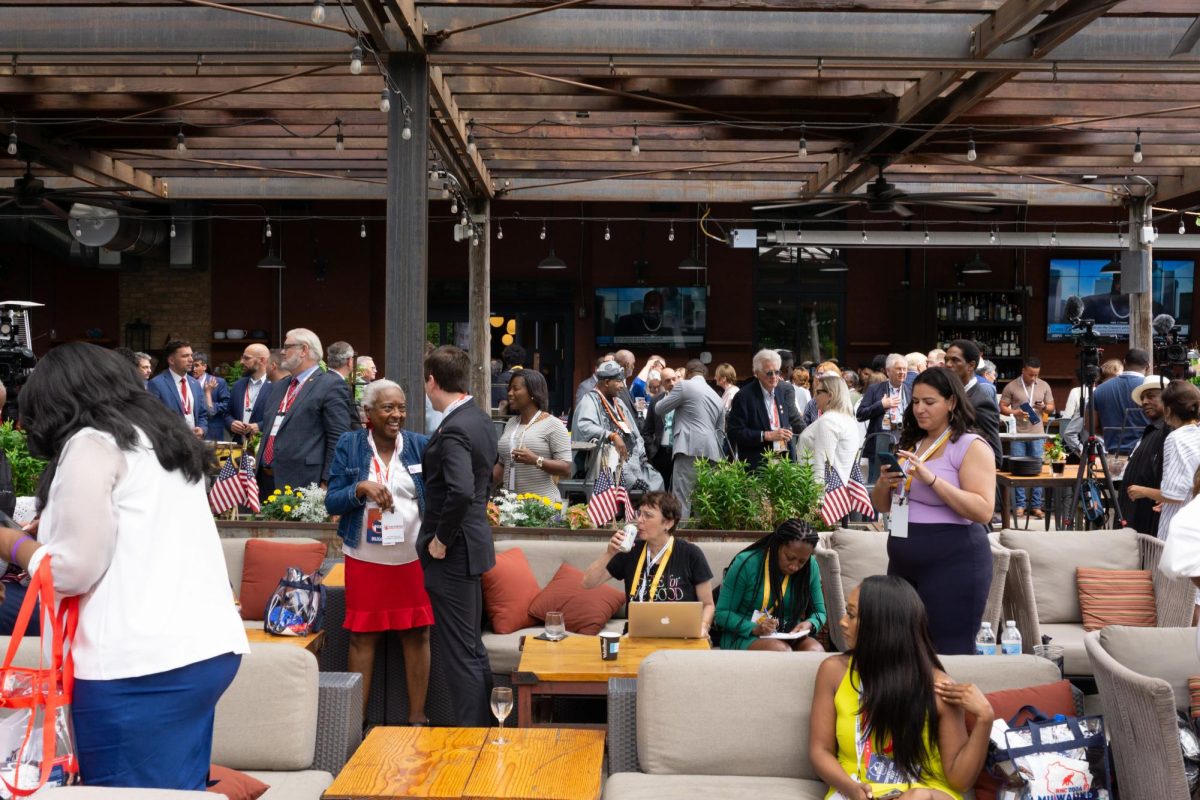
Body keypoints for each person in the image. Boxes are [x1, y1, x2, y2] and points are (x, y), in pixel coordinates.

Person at [4, 343, 248, 789]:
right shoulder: (158, 437)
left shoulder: (91, 443)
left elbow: (72, 570)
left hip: (139, 667)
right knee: (177, 790)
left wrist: (11, 543)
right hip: (206, 650)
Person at [810, 575, 994, 800]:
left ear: (881, 626)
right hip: (855, 791)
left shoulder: (939, 687)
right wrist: (850, 788)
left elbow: (960, 781)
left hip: (925, 794)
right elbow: (820, 750)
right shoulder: (834, 672)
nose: (842, 622)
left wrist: (985, 718)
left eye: (851, 614)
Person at [325, 380, 433, 724]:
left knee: (417, 634)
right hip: (365, 558)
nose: (396, 415)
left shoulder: (418, 445)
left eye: (400, 407)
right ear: (368, 413)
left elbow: (436, 494)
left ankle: (418, 720)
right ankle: (355, 725)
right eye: (388, 408)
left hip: (412, 558)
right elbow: (332, 499)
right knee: (362, 637)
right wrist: (359, 487)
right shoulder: (350, 444)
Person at [871, 367, 995, 654]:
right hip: (903, 561)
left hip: (953, 560)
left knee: (947, 652)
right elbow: (883, 505)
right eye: (915, 402)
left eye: (929, 402)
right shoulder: (913, 442)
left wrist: (933, 480)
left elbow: (983, 510)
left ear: (951, 402)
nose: (919, 409)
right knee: (900, 652)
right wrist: (883, 483)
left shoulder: (970, 445)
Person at [417, 345, 498, 726]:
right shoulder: (480, 419)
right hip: (473, 543)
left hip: (453, 551)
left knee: (458, 652)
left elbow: (461, 490)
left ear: (432, 382)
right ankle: (485, 730)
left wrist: (441, 539)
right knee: (471, 648)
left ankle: (473, 738)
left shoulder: (453, 429)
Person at [582, 491, 714, 635]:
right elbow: (588, 583)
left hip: (679, 635)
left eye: (648, 515)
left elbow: (708, 605)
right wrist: (609, 553)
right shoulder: (630, 549)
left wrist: (703, 626)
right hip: (636, 634)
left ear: (668, 523)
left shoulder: (690, 554)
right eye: (640, 514)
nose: (639, 520)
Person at [254, 328, 354, 497]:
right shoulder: (279, 386)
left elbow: (339, 437)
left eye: (288, 347)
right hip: (266, 480)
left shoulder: (330, 385)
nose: (283, 352)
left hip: (304, 482)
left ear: (304, 350)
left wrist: (327, 482)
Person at [714, 519, 825, 652]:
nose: (794, 566)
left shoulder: (810, 567)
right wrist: (753, 628)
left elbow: (819, 612)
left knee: (814, 650)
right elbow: (721, 614)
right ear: (777, 545)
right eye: (789, 558)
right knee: (780, 650)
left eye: (802, 561)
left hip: (788, 634)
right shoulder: (746, 563)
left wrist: (810, 624)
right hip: (744, 634)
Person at [1127, 380, 1200, 541]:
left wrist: (1142, 491)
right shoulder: (1196, 433)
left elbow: (1174, 494)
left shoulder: (1176, 438)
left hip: (1178, 529)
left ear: (1167, 410)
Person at [573, 360, 661, 492]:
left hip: (633, 459)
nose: (622, 386)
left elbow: (634, 432)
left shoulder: (618, 402)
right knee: (639, 485)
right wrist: (612, 436)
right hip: (608, 463)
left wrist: (641, 452)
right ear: (607, 382)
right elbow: (585, 426)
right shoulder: (589, 400)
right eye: (618, 382)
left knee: (657, 480)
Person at [652, 359, 724, 520]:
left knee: (681, 497)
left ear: (688, 373)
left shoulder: (684, 386)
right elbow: (720, 432)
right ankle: (700, 536)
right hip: (712, 451)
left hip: (689, 447)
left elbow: (659, 408)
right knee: (702, 499)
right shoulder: (717, 396)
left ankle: (680, 538)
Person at [494, 369, 572, 501]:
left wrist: (536, 460)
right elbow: (502, 465)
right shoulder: (511, 423)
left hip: (541, 508)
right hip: (510, 506)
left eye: (515, 389)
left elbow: (566, 468)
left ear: (532, 393)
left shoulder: (553, 424)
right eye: (509, 389)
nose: (510, 393)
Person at [999, 357, 1055, 519]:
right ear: (1023, 371)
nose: (1034, 378)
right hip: (1017, 434)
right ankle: (1020, 505)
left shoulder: (1044, 385)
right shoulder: (1011, 386)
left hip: (1037, 433)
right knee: (1017, 471)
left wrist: (1044, 407)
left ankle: (1036, 505)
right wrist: (1015, 412)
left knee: (1037, 469)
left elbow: (1051, 407)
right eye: (1031, 375)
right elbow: (1002, 407)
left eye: (1036, 375)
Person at [728, 349, 797, 471]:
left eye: (777, 372)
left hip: (781, 461)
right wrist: (766, 435)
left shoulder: (781, 391)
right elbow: (734, 432)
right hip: (757, 466)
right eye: (769, 373)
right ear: (756, 373)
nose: (775, 377)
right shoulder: (744, 396)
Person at [1121, 375, 1169, 537]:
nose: (1145, 402)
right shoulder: (1153, 429)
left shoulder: (1169, 430)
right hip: (1137, 514)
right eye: (1142, 398)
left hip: (1151, 517)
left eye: (1151, 396)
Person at [944, 340, 1001, 468]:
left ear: (970, 366)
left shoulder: (981, 402)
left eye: (954, 360)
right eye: (946, 359)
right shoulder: (946, 395)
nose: (947, 364)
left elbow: (995, 457)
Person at [799, 374, 864, 482]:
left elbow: (822, 466)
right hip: (840, 488)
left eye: (818, 392)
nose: (814, 396)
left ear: (830, 395)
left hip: (822, 491)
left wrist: (817, 497)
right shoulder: (848, 419)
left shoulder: (828, 421)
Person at [857, 353, 910, 483]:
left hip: (903, 443)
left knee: (899, 480)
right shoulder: (875, 389)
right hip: (880, 442)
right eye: (898, 369)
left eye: (904, 369)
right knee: (876, 481)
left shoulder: (911, 390)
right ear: (888, 371)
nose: (902, 372)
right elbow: (860, 414)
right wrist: (881, 405)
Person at [1092, 349, 1149, 458]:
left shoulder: (1099, 390)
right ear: (1148, 366)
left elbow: (1091, 425)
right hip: (1147, 456)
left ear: (1124, 363)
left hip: (1115, 456)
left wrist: (1111, 437)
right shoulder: (1152, 389)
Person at [146, 339, 207, 439]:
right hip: (170, 446)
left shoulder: (195, 383)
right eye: (185, 356)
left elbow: (202, 414)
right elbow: (153, 417)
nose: (191, 359)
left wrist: (202, 429)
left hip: (194, 444)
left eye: (191, 355)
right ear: (171, 360)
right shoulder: (157, 384)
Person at [643, 367, 680, 488]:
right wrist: (651, 449)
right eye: (668, 380)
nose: (672, 383)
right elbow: (648, 429)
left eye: (674, 379)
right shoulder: (655, 400)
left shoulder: (684, 400)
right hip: (660, 452)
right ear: (662, 383)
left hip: (679, 451)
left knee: (677, 488)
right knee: (661, 488)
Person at [229, 343, 272, 443]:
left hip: (263, 447)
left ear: (262, 360)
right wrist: (231, 423)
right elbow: (227, 413)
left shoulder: (276, 386)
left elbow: (282, 417)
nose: (241, 362)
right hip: (239, 445)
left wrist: (260, 426)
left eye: (246, 358)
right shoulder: (237, 385)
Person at [191, 352, 231, 441]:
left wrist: (211, 406)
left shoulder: (219, 382)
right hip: (192, 431)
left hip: (212, 431)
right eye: (192, 366)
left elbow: (227, 405)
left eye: (197, 365)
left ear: (204, 367)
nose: (193, 369)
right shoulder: (187, 382)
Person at [491, 344, 527, 409]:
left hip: (511, 417)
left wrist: (500, 418)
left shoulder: (503, 377)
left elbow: (503, 402)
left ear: (506, 361)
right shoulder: (531, 376)